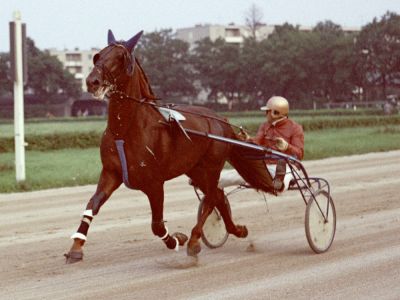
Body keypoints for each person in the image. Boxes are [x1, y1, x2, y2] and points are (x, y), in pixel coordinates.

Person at [219, 96, 304, 192]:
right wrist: (247, 139)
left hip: (288, 165)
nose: (265, 114)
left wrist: (287, 147)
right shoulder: (265, 126)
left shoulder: (295, 128)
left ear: (275, 113)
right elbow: (256, 143)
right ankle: (216, 179)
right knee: (237, 173)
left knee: (282, 173)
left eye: (267, 111)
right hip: (264, 166)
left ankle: (279, 183)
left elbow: (299, 154)